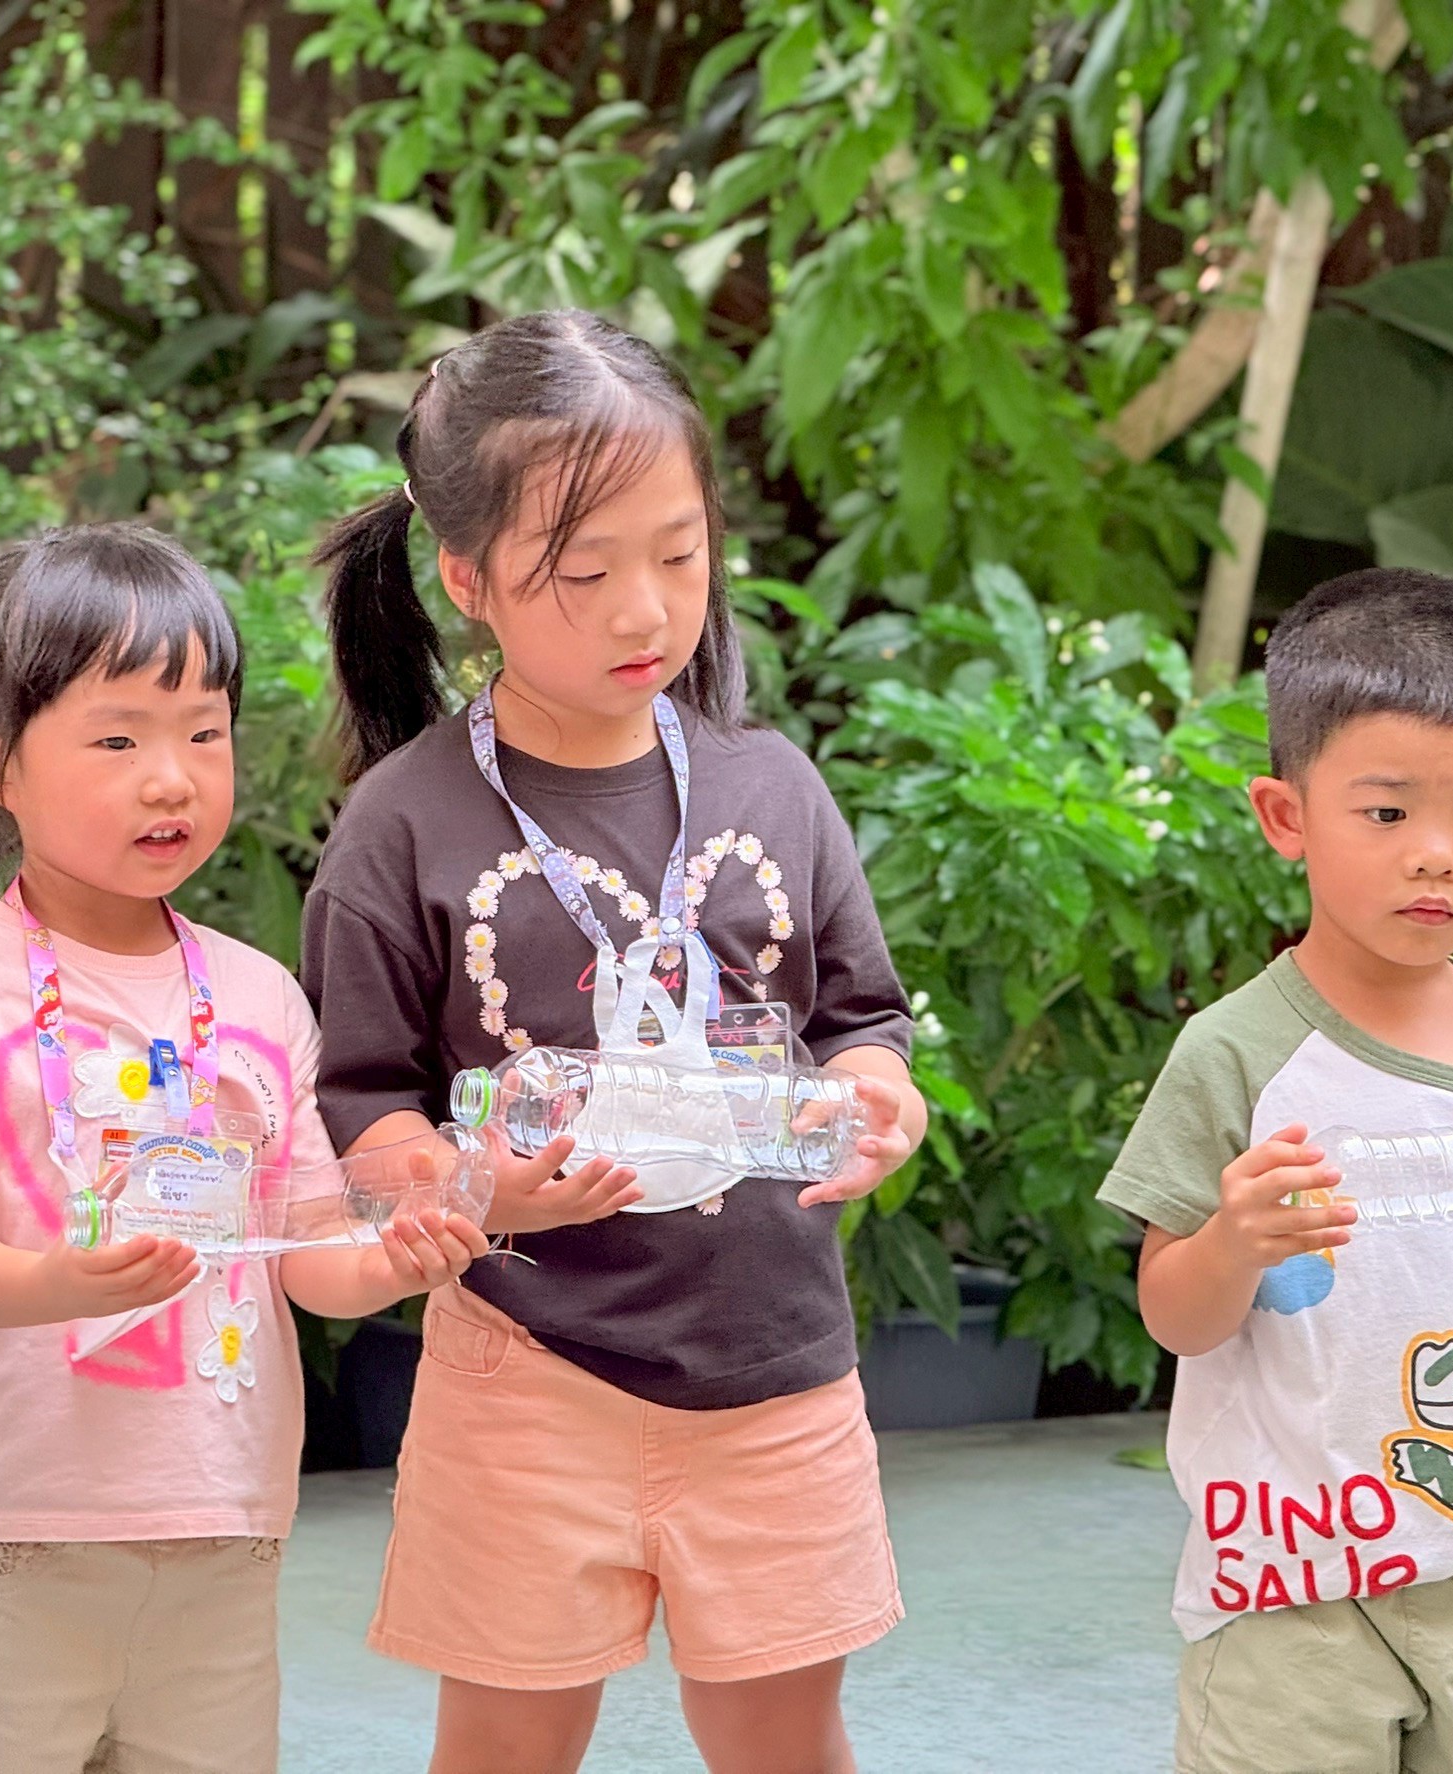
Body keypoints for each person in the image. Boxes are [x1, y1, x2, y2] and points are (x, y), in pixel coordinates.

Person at [300, 310, 929, 1774]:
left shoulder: (774, 786)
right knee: (507, 1747)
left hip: (776, 1369)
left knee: (785, 1739)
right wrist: (471, 1189)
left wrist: (874, 1099)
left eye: (681, 555)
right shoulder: (402, 825)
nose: (644, 610)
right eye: (582, 575)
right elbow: (365, 1102)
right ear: (467, 578)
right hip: (526, 1374)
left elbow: (861, 1020)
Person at [0, 522, 487, 1774]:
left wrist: (395, 1254)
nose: (172, 779)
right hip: (20, 1537)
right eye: (118, 740)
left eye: (205, 733)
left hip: (225, 1528)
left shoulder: (259, 995)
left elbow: (310, 1249)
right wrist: (55, 1282)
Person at [1100, 568, 1453, 1772]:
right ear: (1285, 815)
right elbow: (1173, 1317)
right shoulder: (1239, 1053)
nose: (1437, 857)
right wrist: (1233, 1244)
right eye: (1388, 812)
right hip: (1291, 1594)